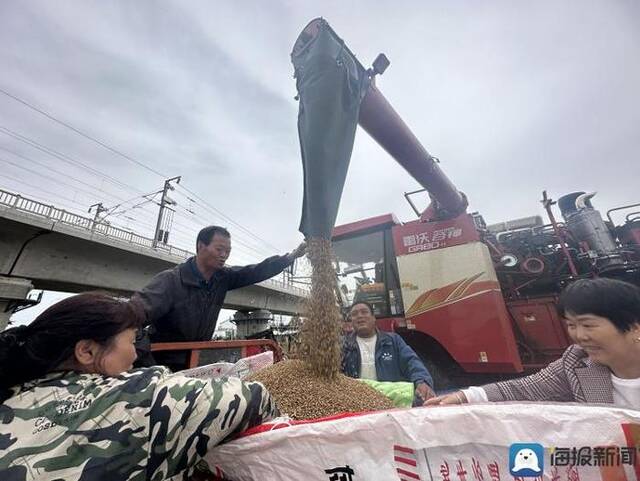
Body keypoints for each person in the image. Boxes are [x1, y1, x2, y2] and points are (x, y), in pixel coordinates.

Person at [0, 293, 277, 481]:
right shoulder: (138, 397)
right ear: (86, 351)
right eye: (132, 342)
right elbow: (254, 397)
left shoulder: (13, 394)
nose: (135, 355)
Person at [426, 278, 640, 408]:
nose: (579, 336)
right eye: (571, 325)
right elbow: (524, 389)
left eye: (588, 325)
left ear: (633, 326)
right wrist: (463, 397)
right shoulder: (576, 362)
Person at [135, 225, 306, 369]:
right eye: (219, 249)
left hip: (199, 363)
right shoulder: (171, 281)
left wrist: (289, 258)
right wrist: (148, 364)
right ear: (201, 246)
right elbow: (131, 320)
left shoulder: (222, 278)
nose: (224, 255)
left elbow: (254, 271)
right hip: (163, 365)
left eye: (228, 251)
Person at [341, 301, 436, 405]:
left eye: (364, 312)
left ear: (373, 318)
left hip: (391, 401)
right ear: (351, 321)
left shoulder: (392, 340)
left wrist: (422, 381)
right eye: (354, 314)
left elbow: (411, 362)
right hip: (357, 402)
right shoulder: (344, 346)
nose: (359, 316)